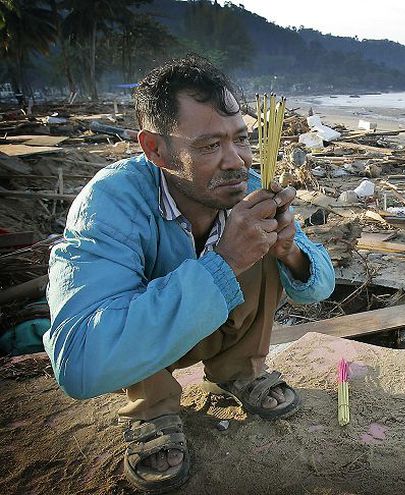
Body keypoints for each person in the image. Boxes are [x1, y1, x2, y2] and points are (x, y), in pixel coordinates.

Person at [43, 56, 336, 492]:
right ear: (156, 150)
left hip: (214, 325)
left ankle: (240, 369)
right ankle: (152, 407)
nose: (235, 161)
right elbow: (80, 365)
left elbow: (321, 286)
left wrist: (289, 251)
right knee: (156, 275)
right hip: (148, 350)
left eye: (241, 139)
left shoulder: (247, 184)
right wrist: (225, 262)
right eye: (208, 146)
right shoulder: (109, 204)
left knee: (262, 243)